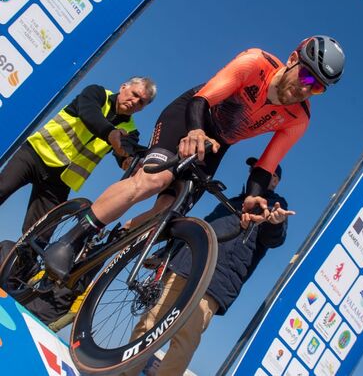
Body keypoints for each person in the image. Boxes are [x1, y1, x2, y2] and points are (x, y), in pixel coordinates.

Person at [44, 35, 345, 280]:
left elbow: (265, 167)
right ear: (293, 58)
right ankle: (71, 238)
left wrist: (254, 198)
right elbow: (202, 100)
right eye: (306, 75)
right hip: (191, 114)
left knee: (171, 209)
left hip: (218, 143)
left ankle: (110, 244)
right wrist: (196, 132)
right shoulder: (255, 63)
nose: (305, 88)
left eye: (316, 87)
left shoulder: (298, 119)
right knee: (155, 179)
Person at [125, 159, 293, 376]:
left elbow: (274, 239)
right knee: (148, 324)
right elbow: (201, 230)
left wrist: (275, 221)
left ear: (275, 180)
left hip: (216, 281)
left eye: (263, 171)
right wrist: (167, 254)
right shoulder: (231, 200)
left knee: (184, 339)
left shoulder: (275, 206)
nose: (255, 173)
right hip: (185, 265)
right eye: (254, 170)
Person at [0, 76, 156, 234]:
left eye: (141, 102)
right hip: (36, 155)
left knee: (39, 237)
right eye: (135, 94)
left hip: (60, 183)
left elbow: (127, 149)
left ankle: (13, 256)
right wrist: (110, 133)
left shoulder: (131, 130)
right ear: (123, 87)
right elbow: (89, 113)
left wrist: (127, 159)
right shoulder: (97, 93)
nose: (135, 101)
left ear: (141, 108)